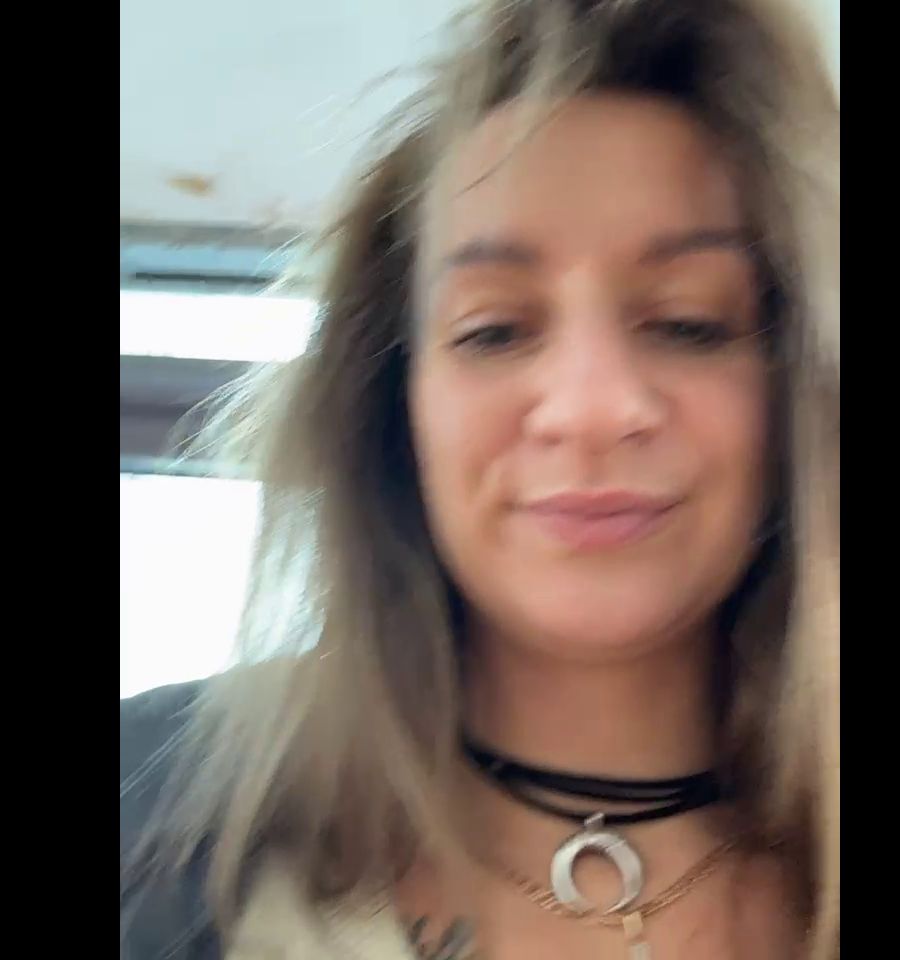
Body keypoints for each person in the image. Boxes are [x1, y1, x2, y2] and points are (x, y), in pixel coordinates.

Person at [120, 0, 839, 957]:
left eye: (688, 322)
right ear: (390, 407)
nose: (590, 407)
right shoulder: (146, 802)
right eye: (494, 330)